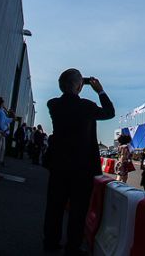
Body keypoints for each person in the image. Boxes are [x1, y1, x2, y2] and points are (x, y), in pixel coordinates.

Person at [42, 69, 114, 255]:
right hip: (82, 167)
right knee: (78, 210)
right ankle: (72, 247)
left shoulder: (53, 104)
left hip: (59, 164)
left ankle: (51, 242)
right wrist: (100, 91)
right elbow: (109, 112)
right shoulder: (87, 107)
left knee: (55, 206)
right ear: (80, 86)